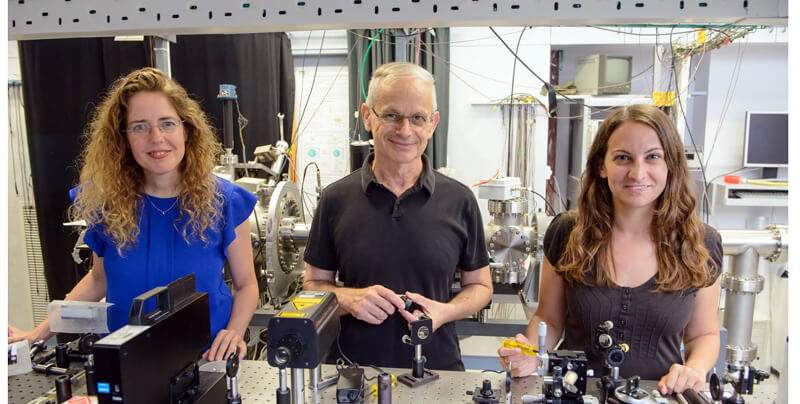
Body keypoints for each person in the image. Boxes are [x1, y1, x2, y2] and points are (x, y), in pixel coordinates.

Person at [8, 67, 259, 361]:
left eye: (167, 123)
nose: (156, 137)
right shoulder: (107, 203)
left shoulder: (225, 201)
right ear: (123, 138)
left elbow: (247, 285)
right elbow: (98, 280)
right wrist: (36, 335)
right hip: (124, 362)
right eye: (140, 126)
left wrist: (235, 331)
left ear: (186, 129)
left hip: (203, 360)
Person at [498, 104, 723, 395]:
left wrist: (694, 370)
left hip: (659, 397)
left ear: (671, 165)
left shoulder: (700, 243)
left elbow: (703, 334)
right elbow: (549, 319)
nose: (637, 172)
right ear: (602, 165)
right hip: (574, 395)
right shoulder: (568, 233)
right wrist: (528, 351)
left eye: (653, 157)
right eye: (623, 158)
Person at [303, 62, 493, 370]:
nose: (405, 130)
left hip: (437, 372)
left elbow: (481, 287)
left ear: (432, 123)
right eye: (391, 115)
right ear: (368, 116)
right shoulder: (335, 199)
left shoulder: (460, 200)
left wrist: (444, 312)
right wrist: (347, 299)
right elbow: (312, 284)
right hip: (353, 373)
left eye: (417, 118)